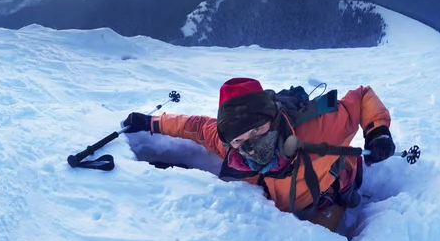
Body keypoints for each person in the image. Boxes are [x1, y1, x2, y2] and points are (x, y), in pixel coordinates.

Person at [121, 77, 395, 232]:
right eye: (240, 139)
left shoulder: (318, 128)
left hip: (330, 192)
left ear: (273, 118)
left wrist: (378, 131)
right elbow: (193, 127)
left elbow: (361, 97)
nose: (251, 145)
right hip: (283, 207)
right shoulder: (231, 147)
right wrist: (151, 123)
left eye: (257, 131)